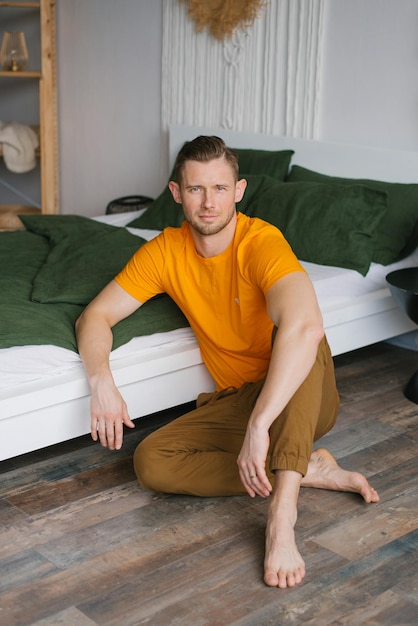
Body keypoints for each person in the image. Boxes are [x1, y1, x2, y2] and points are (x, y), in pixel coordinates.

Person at [76, 135, 379, 589]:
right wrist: (101, 380)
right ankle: (301, 468)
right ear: (177, 193)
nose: (208, 202)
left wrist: (260, 426)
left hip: (303, 396)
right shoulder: (165, 251)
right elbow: (95, 315)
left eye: (220, 189)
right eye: (196, 189)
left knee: (301, 337)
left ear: (238, 190)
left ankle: (282, 514)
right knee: (152, 462)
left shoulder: (262, 242)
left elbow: (305, 327)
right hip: (237, 400)